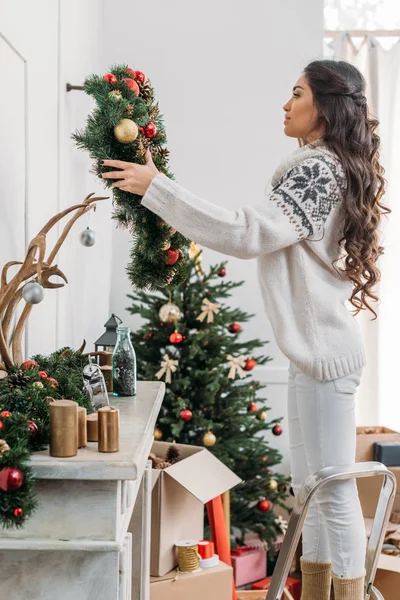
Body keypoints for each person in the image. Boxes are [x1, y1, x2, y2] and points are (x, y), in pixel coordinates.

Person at [102, 59, 389, 600]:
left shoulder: (319, 170)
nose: (286, 103)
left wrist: (157, 188)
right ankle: (320, 592)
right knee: (311, 491)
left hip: (327, 359)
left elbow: (245, 232)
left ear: (324, 108)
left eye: (297, 93)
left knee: (329, 493)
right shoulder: (319, 166)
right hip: (315, 358)